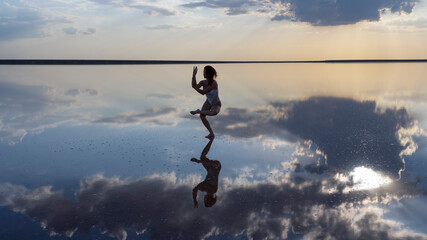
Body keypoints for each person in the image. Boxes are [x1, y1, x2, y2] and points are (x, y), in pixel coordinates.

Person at [190, 65, 221, 139]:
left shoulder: (214, 83)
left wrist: (195, 88)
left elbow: (203, 92)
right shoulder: (203, 82)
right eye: (203, 72)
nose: (203, 74)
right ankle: (211, 133)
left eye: (205, 72)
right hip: (208, 101)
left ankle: (198, 111)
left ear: (209, 73)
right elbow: (194, 85)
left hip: (216, 103)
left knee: (214, 113)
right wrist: (194, 75)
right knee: (202, 116)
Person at [191, 138, 221, 208]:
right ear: (207, 199)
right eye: (205, 200)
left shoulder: (204, 189)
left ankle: (211, 140)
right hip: (216, 166)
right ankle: (211, 139)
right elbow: (204, 186)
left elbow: (194, 189)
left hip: (210, 169)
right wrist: (198, 161)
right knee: (203, 159)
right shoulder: (213, 190)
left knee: (202, 157)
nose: (204, 199)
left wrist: (195, 200)